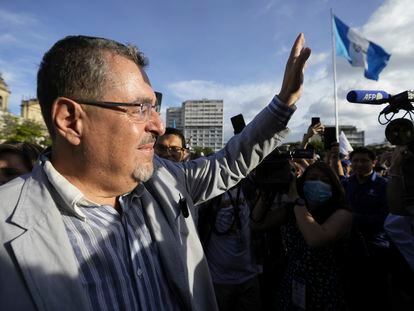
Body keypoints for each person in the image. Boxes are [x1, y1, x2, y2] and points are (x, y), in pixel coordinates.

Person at [0, 33, 311, 311]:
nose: (158, 126)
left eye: (154, 108)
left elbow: (228, 162)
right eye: (139, 109)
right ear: (70, 120)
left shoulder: (166, 179)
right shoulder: (7, 223)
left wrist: (285, 102)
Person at [276, 162, 352, 310]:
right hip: (293, 283)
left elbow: (315, 239)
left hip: (325, 288)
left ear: (334, 186)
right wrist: (267, 191)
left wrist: (297, 201)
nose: (318, 183)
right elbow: (257, 224)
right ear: (302, 182)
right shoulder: (293, 211)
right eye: (313, 178)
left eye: (324, 180)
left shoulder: (343, 213)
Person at [342, 147, 391, 310]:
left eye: (364, 161)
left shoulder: (384, 186)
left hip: (376, 249)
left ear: (374, 162)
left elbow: (386, 219)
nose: (359, 164)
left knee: (376, 293)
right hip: (350, 248)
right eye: (355, 160)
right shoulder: (347, 183)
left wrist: (354, 218)